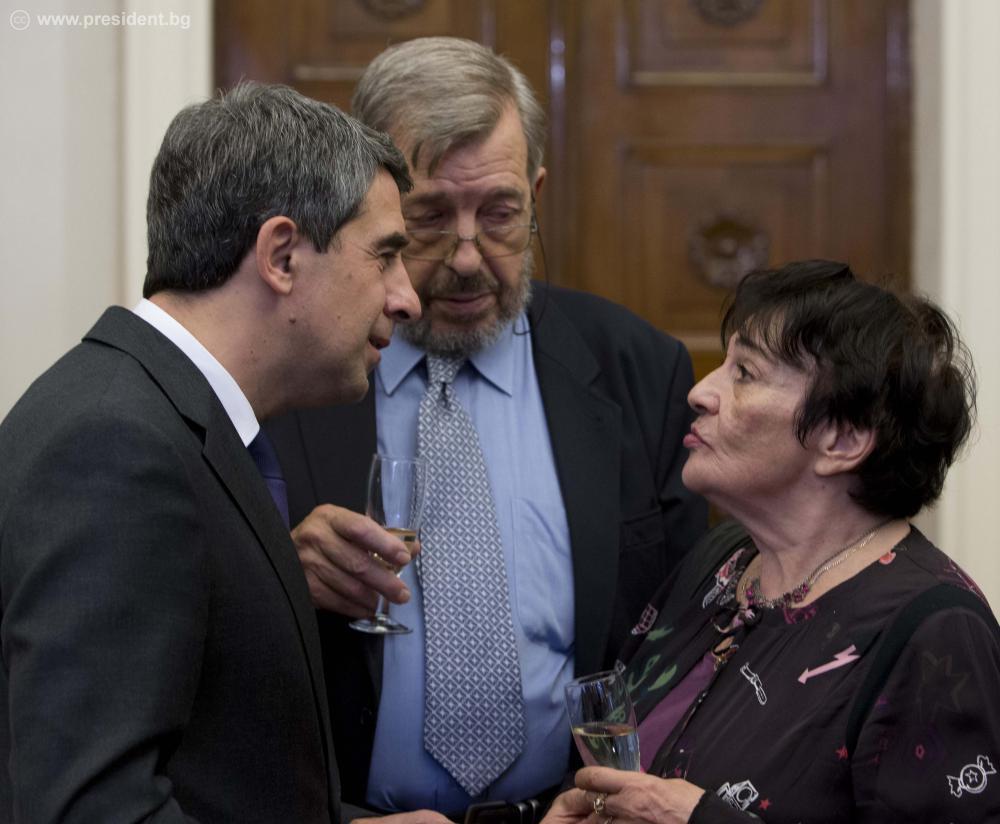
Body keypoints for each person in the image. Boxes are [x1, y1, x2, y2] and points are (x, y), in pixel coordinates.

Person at [265, 36, 708, 818]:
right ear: (371, 202)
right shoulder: (287, 381)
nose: (469, 258)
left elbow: (685, 643)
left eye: (500, 214)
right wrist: (279, 572)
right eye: (430, 217)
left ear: (536, 193)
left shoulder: (640, 370)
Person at [0, 81, 451, 824]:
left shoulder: (168, 416)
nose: (407, 298)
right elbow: (98, 809)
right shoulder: (117, 445)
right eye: (385, 256)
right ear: (281, 255)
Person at [541, 260, 1000, 823]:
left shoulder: (935, 629)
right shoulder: (724, 561)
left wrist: (697, 818)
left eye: (745, 373)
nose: (699, 392)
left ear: (843, 439)